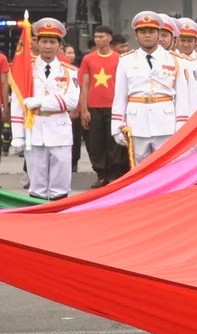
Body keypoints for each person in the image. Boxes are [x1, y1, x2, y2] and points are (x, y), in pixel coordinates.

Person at [11, 19, 80, 199]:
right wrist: (17, 135)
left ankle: (58, 213)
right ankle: (37, 214)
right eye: (44, 41)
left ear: (59, 45)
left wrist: (40, 102)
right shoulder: (27, 70)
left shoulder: (70, 71)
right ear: (37, 43)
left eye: (52, 42)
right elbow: (18, 102)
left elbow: (71, 101)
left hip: (59, 129)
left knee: (60, 184)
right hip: (33, 129)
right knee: (37, 184)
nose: (48, 46)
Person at [111, 13, 181, 166]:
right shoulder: (126, 60)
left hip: (166, 123)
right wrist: (117, 126)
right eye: (143, 32)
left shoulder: (175, 60)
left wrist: (181, 125)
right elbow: (120, 96)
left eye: (151, 32)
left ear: (158, 34)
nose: (147, 36)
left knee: (166, 166)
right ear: (136, 36)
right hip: (137, 123)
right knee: (140, 167)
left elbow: (181, 98)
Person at [80, 26, 122, 186]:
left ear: (110, 38)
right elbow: (84, 85)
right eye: (96, 37)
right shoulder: (88, 59)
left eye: (101, 36)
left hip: (113, 106)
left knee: (113, 142)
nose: (98, 40)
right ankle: (101, 174)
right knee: (95, 143)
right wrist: (84, 109)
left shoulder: (119, 58)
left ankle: (113, 174)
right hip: (94, 106)